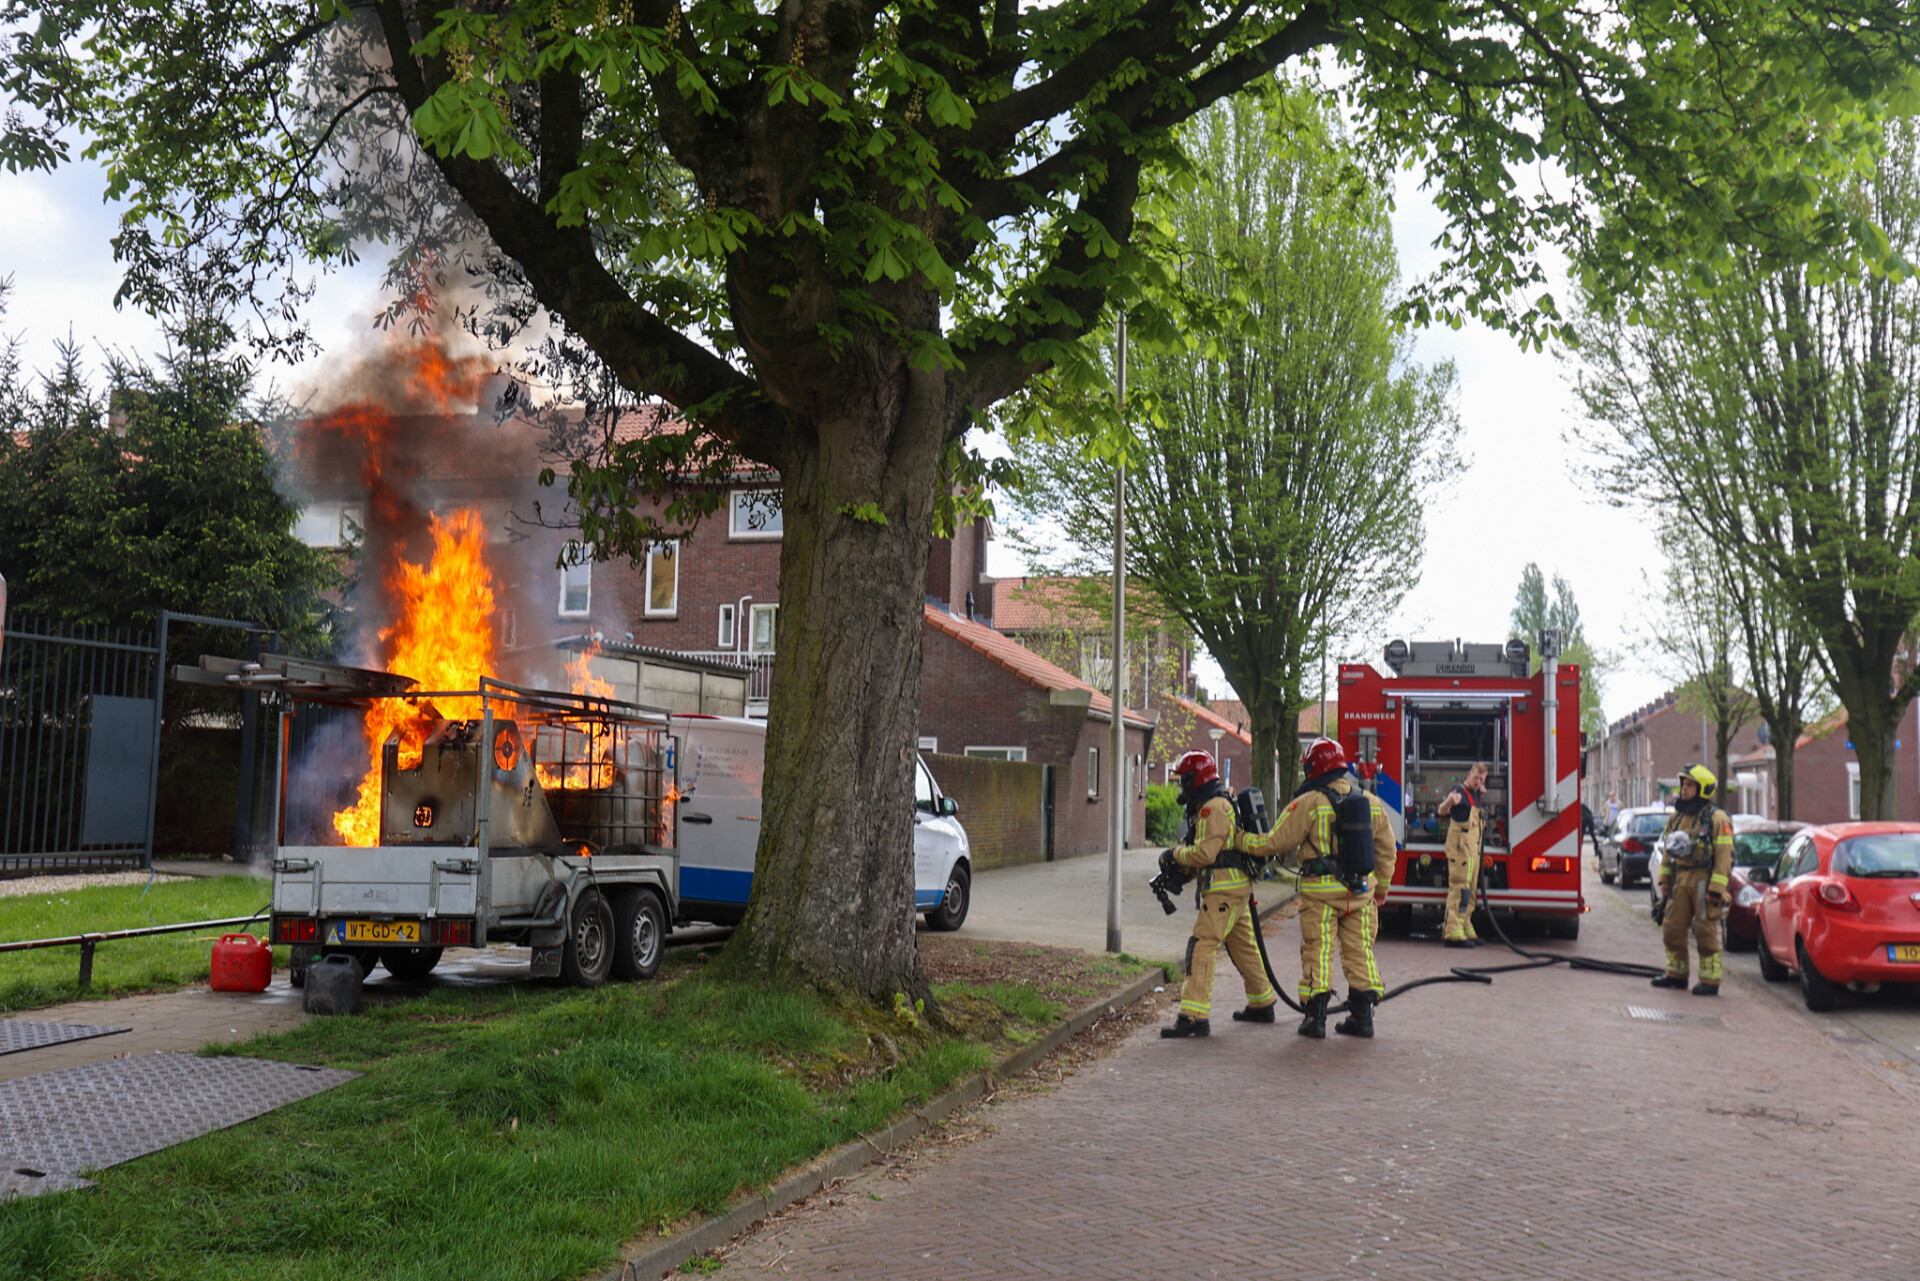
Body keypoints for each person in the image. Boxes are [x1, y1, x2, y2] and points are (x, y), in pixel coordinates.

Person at [1244, 737, 1383, 1039]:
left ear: (1313, 768)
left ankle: (1315, 1021)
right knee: (1360, 951)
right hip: (1360, 893)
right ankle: (1362, 1019)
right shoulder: (1369, 801)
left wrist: (1241, 839)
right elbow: (1385, 851)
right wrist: (1381, 887)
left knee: (1317, 951)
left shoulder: (1308, 803)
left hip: (1320, 894)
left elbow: (1274, 841)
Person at [1159, 749, 1277, 1038]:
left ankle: (1193, 1017)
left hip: (1222, 893)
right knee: (1244, 948)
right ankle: (1262, 1003)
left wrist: (1173, 854)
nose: (1180, 787)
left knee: (1201, 947)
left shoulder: (1211, 807)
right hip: (1237, 890)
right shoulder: (1221, 802)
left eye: (1182, 780)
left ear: (1193, 779)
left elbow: (1205, 854)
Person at [1651, 764, 1735, 996]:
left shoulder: (1717, 819)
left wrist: (1716, 889)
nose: (1684, 790)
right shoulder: (1677, 818)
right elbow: (1669, 850)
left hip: (1703, 882)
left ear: (1703, 789)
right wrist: (1664, 880)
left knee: (1704, 930)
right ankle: (1676, 974)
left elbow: (1724, 857)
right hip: (1681, 878)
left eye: (1689, 785)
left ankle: (1710, 980)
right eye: (1683, 785)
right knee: (1672, 928)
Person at [1440, 762, 1491, 948]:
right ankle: (1452, 930)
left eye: (1482, 780)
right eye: (1476, 778)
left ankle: (1465, 924)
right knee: (1460, 888)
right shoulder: (1458, 791)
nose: (1478, 782)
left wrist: (1481, 787)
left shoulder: (1476, 794)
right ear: (1468, 774)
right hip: (1461, 849)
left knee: (1470, 889)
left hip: (1473, 849)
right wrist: (1449, 802)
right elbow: (1442, 811)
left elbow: (1480, 790)